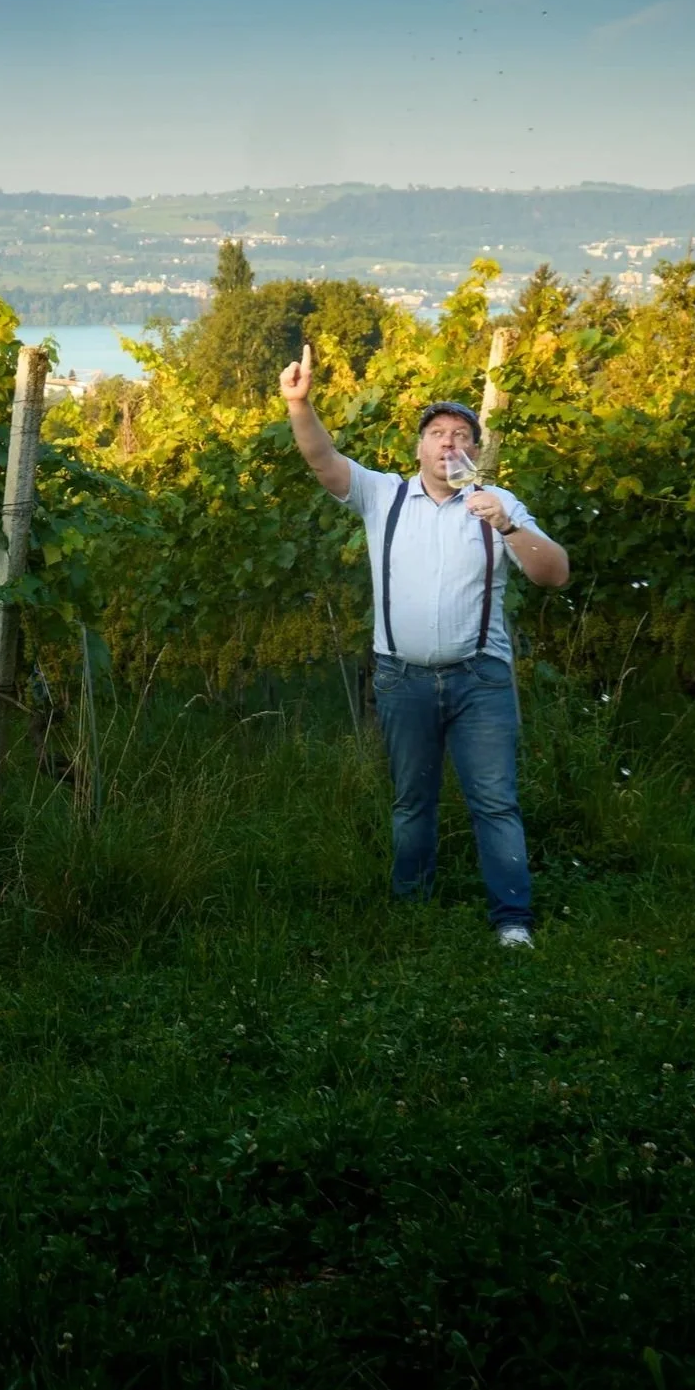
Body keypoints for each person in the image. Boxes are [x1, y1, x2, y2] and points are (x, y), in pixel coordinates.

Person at [279, 345, 571, 948]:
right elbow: (322, 459)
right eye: (437, 433)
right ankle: (413, 908)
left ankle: (512, 921)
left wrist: (509, 527)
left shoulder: (499, 504)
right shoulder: (382, 495)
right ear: (419, 449)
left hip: (480, 680)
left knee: (494, 802)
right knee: (412, 801)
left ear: (474, 450)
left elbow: (555, 575)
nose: (448, 443)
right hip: (401, 678)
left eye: (460, 434)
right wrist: (299, 402)